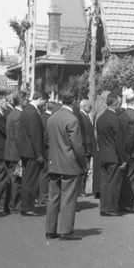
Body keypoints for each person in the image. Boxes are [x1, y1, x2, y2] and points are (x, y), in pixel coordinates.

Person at [45, 88, 87, 240]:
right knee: (68, 198)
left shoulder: (52, 118)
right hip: (69, 164)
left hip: (54, 162)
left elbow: (48, 141)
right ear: (75, 100)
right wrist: (84, 163)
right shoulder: (72, 119)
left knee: (53, 197)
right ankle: (65, 230)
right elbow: (77, 145)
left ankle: (50, 230)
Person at [95, 93, 126, 217]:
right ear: (116, 103)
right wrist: (124, 159)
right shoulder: (115, 119)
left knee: (105, 183)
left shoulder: (101, 118)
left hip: (103, 155)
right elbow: (119, 142)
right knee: (113, 184)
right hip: (113, 156)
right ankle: (111, 208)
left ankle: (104, 207)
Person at [17, 92, 46, 216]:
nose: (44, 104)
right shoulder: (33, 113)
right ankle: (27, 206)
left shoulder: (26, 110)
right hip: (32, 152)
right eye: (44, 101)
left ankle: (26, 205)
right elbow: (35, 135)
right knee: (31, 180)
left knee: (27, 179)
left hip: (25, 150)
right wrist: (39, 154)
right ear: (40, 99)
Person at [4, 91, 24, 213]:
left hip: (10, 151)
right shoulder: (18, 115)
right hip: (16, 153)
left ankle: (10, 204)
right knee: (16, 180)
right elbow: (18, 137)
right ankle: (14, 204)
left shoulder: (12, 113)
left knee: (12, 179)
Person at [78, 98, 95, 195]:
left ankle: (82, 188)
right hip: (85, 148)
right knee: (84, 169)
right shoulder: (82, 117)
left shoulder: (86, 116)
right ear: (84, 106)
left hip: (87, 147)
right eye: (90, 107)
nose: (91, 109)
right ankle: (81, 189)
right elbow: (86, 134)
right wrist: (88, 149)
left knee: (85, 169)